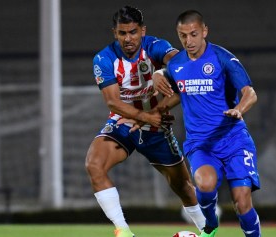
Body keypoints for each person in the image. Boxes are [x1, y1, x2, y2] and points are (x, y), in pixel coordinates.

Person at [85, 6, 205, 237]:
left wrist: (162, 80)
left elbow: (185, 72)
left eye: (133, 32)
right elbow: (112, 102)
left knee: (183, 187)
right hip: (124, 122)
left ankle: (207, 231)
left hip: (156, 126)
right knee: (94, 165)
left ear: (143, 30)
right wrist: (144, 116)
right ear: (115, 33)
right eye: (122, 33)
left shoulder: (155, 47)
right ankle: (124, 231)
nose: (128, 38)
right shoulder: (104, 58)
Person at [153, 10, 262, 237]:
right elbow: (178, 93)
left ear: (204, 31)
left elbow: (250, 93)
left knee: (242, 203)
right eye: (183, 36)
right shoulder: (177, 64)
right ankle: (210, 226)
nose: (188, 41)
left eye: (193, 34)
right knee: (204, 183)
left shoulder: (223, 58)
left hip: (234, 140)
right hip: (201, 143)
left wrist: (238, 109)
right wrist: (153, 110)